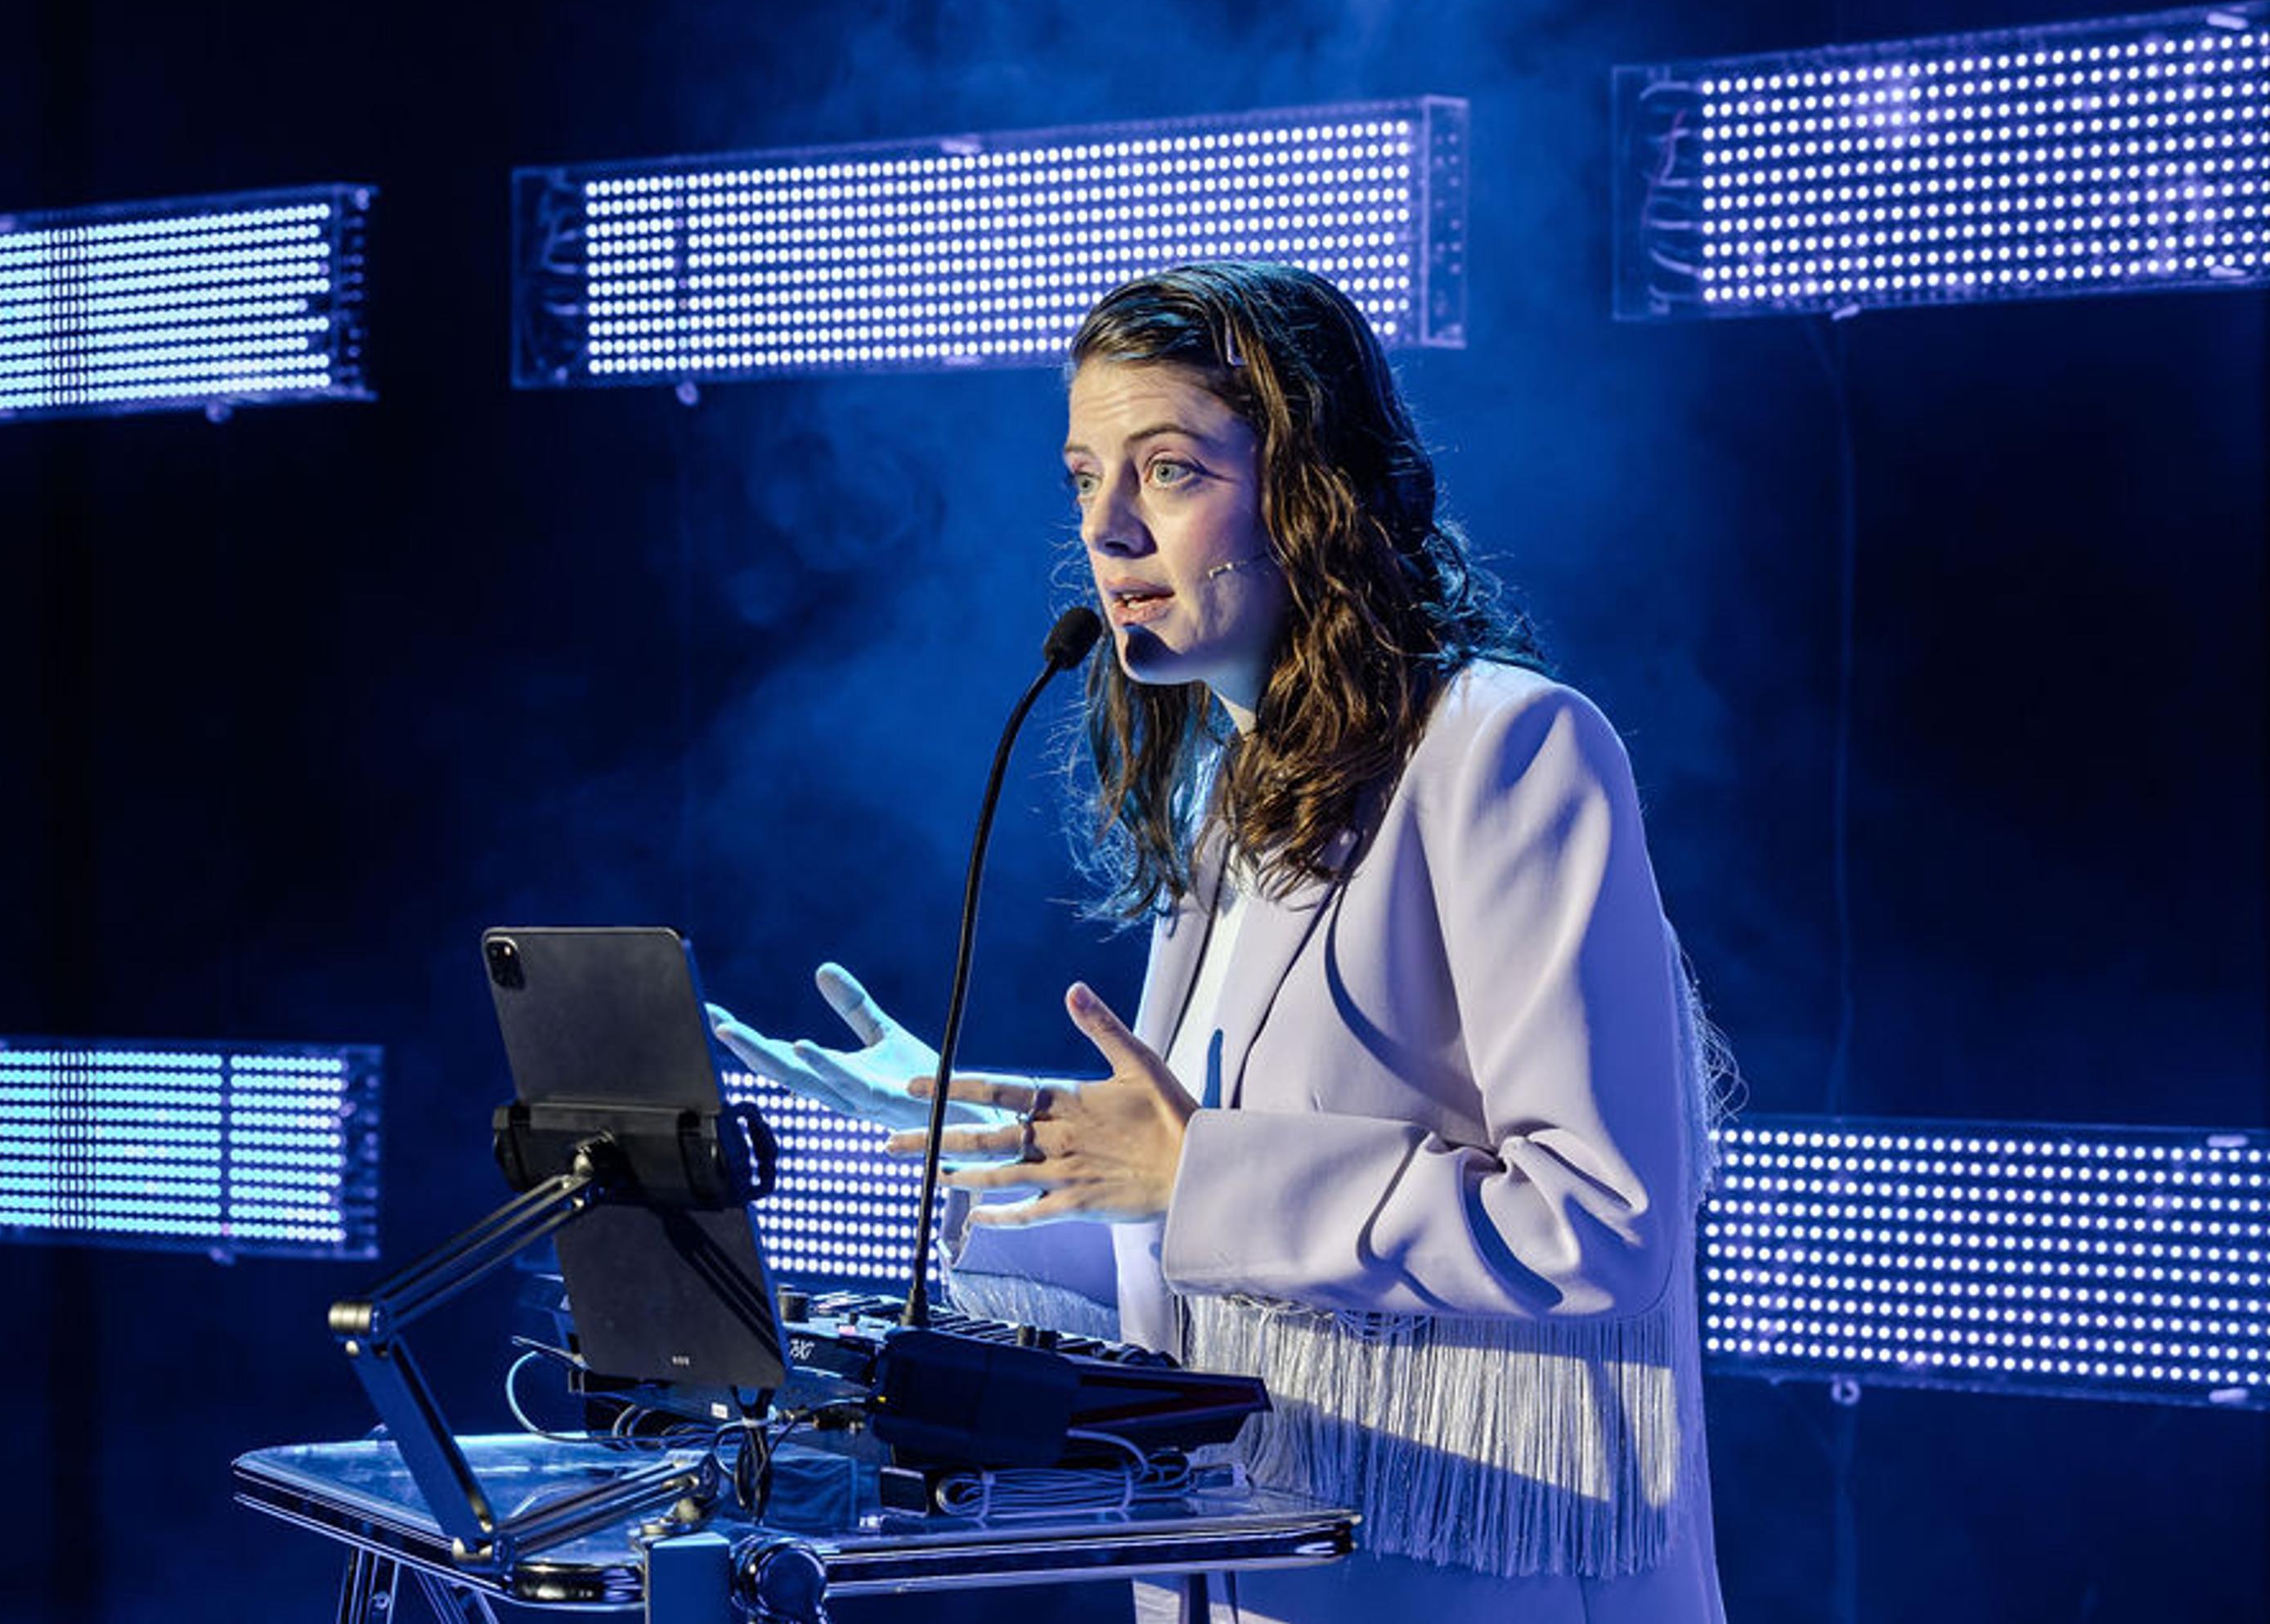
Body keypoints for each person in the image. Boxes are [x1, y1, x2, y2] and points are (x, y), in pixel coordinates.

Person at [711, 261, 1729, 1622]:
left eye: (1170, 470)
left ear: (1313, 490)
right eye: (1086, 479)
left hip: (1458, 1585)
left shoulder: (1509, 746)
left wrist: (1198, 1170)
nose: (1108, 528)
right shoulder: (1221, 796)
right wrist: (996, 1140)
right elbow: (1202, 1260)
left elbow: (1597, 1220)